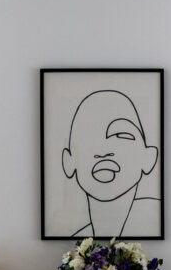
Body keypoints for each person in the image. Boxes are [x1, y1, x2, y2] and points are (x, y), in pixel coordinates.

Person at [61, 89, 160, 237]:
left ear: (148, 157)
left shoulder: (152, 215)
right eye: (87, 137)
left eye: (121, 135)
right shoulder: (78, 243)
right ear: (68, 161)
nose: (103, 151)